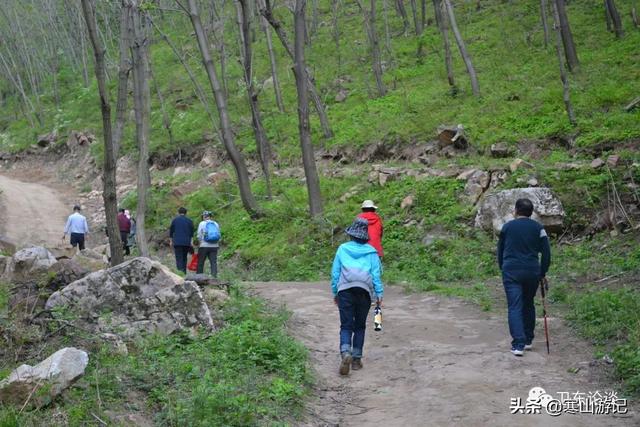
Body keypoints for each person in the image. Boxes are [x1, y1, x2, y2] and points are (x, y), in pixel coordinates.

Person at [498, 198, 551, 357]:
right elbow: (546, 253)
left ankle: (518, 344)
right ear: (531, 212)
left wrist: (503, 267)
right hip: (531, 271)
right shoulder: (538, 228)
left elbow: (500, 251)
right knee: (528, 304)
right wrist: (542, 272)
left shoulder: (507, 227)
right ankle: (528, 340)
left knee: (515, 306)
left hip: (511, 271)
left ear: (516, 210)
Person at [331, 218, 384, 376]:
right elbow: (376, 275)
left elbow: (335, 273)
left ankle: (345, 351)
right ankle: (356, 360)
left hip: (345, 291)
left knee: (346, 325)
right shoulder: (371, 252)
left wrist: (335, 292)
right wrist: (379, 294)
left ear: (351, 235)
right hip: (364, 293)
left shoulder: (342, 249)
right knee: (360, 326)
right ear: (364, 236)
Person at [169, 207, 195, 273]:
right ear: (186, 213)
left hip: (177, 242)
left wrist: (171, 241)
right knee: (184, 257)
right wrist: (191, 241)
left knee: (179, 258)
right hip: (186, 242)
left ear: (178, 212)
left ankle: (180, 273)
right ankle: (184, 272)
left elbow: (171, 231)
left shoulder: (175, 220)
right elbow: (192, 232)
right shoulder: (189, 221)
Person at [196, 210, 220, 277]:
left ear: (204, 216)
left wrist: (200, 242)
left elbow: (199, 235)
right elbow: (218, 234)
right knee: (213, 262)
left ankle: (199, 277)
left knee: (201, 262)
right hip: (214, 246)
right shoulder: (216, 224)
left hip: (204, 245)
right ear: (210, 217)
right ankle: (214, 277)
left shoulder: (202, 223)